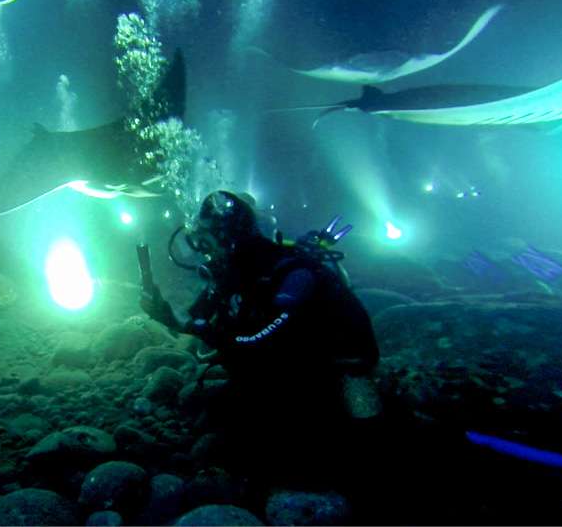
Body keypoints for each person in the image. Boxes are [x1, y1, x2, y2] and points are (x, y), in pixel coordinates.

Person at [140, 190, 381, 482]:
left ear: (227, 237)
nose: (203, 251)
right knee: (226, 411)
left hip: (337, 365)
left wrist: (199, 328)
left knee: (358, 439)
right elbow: (200, 317)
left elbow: (261, 338)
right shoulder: (232, 272)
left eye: (205, 241)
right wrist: (169, 316)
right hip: (290, 361)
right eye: (197, 241)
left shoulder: (289, 272)